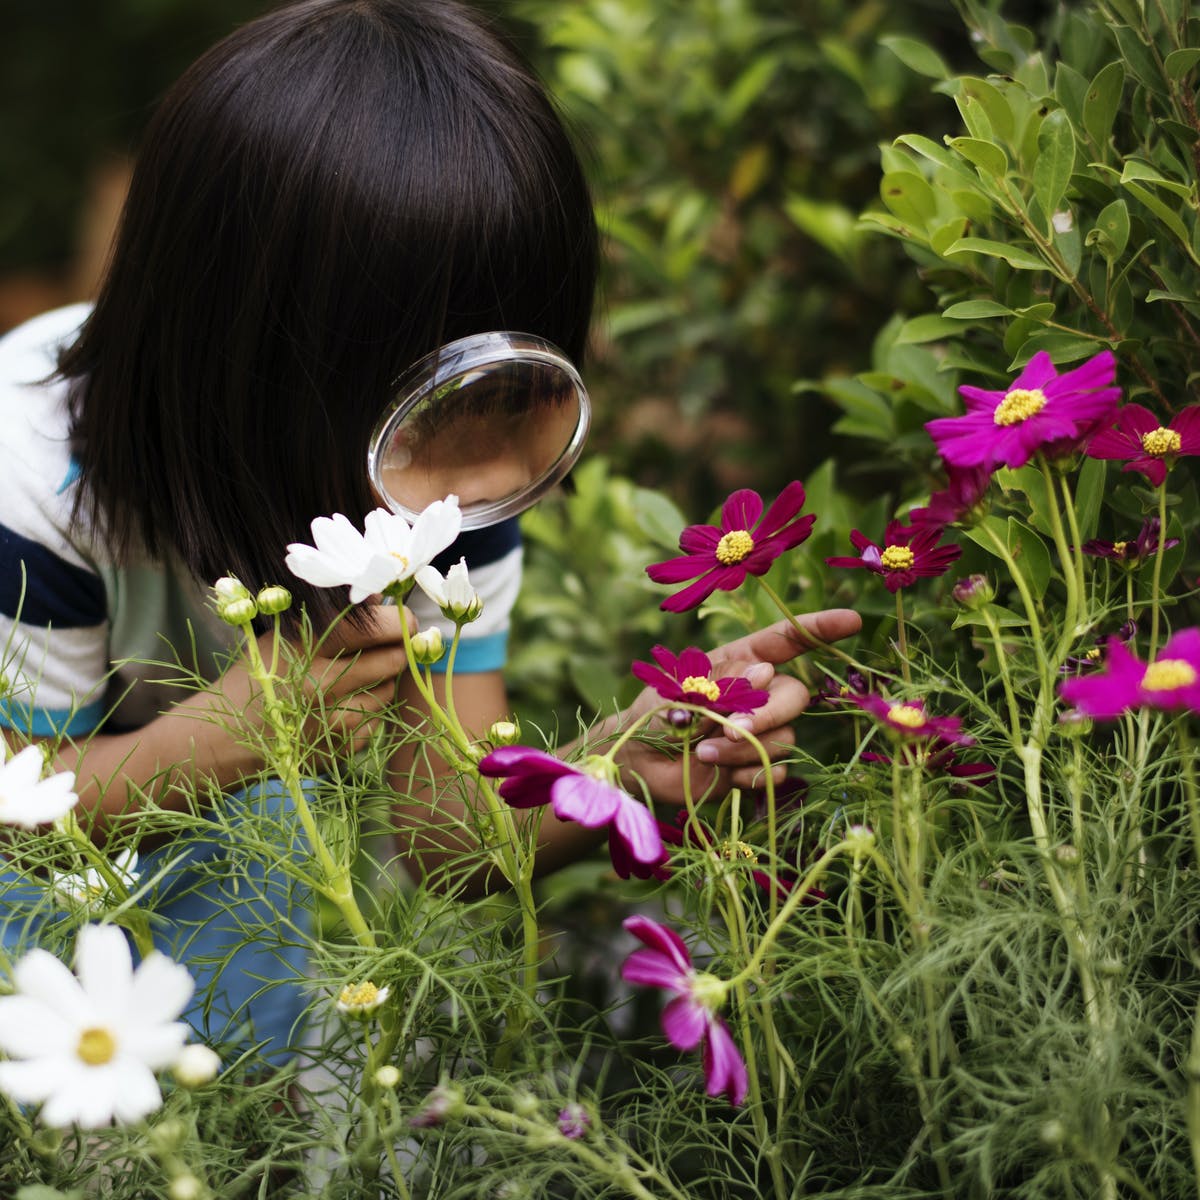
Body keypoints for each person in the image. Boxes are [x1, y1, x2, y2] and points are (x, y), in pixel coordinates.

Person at [0, 0, 859, 1066]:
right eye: (441, 403)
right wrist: (228, 734)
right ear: (248, 363)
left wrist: (615, 770)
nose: (491, 474)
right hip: (50, 1009)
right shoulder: (33, 479)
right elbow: (18, 814)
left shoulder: (459, 486)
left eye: (516, 396)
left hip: (291, 997)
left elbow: (444, 837)